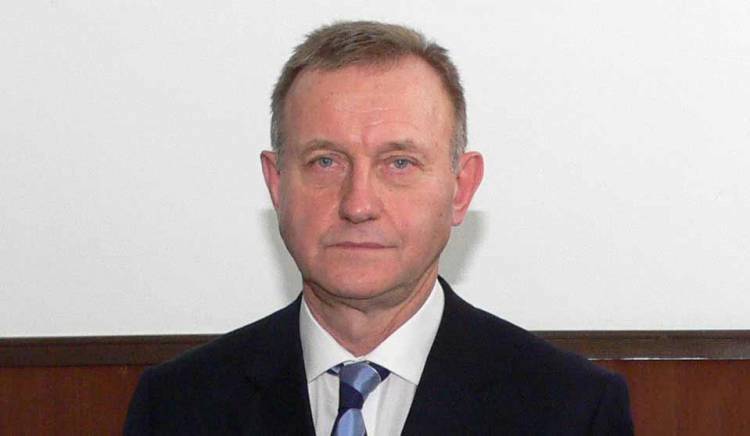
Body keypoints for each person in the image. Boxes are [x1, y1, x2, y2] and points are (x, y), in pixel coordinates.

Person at [124, 21, 633, 435]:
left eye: (399, 163)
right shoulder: (176, 406)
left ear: (461, 189)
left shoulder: (571, 409)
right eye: (325, 162)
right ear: (276, 184)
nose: (358, 204)